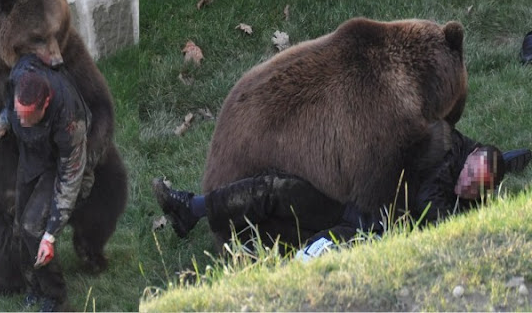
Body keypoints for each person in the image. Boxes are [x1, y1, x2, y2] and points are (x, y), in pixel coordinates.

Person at [153, 124, 530, 261]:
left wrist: (497, 171)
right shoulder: (457, 146)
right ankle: (192, 208)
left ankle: (251, 276)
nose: (466, 183)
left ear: (484, 193)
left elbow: (430, 207)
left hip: (366, 229)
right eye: (469, 175)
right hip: (346, 197)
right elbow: (500, 159)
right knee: (273, 189)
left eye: (475, 187)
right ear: (469, 158)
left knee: (312, 255)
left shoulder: (457, 210)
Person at [0, 54, 93, 311]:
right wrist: (2, 124)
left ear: (46, 105)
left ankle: (55, 295)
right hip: (32, 158)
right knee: (20, 225)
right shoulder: (21, 75)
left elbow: (69, 182)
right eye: (19, 115)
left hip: (59, 166)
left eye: (26, 117)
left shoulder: (70, 121)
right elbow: (11, 107)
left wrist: (51, 235)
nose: (20, 121)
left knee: (35, 230)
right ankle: (35, 287)